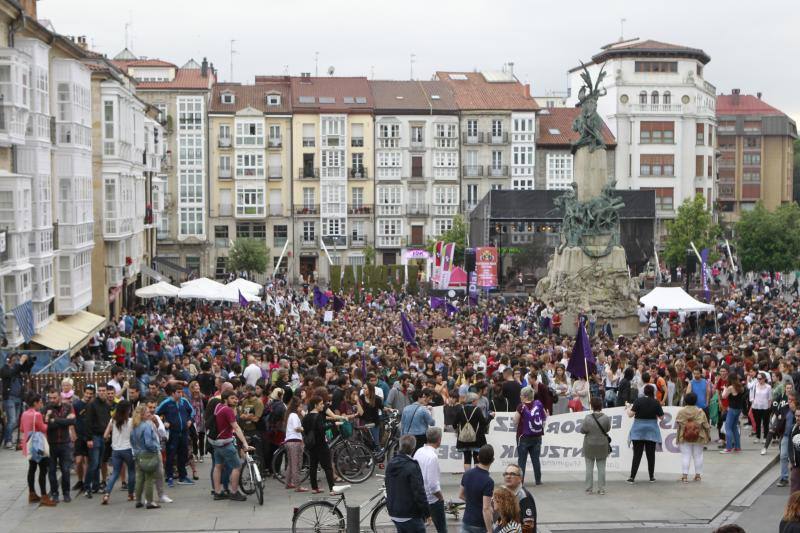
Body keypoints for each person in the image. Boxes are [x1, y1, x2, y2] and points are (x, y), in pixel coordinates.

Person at [210, 389, 251, 501]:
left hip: (216, 443)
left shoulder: (218, 406)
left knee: (218, 466)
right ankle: (234, 492)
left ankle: (218, 492)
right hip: (225, 443)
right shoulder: (227, 410)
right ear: (225, 399)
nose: (235, 400)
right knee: (237, 466)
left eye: (235, 398)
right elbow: (236, 428)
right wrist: (245, 443)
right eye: (232, 398)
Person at [386, 434, 429, 532]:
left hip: (394, 511)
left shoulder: (391, 464)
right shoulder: (412, 466)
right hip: (409, 513)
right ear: (413, 448)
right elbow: (419, 492)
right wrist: (427, 513)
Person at [20, 392, 56, 506]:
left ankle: (32, 493)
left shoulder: (24, 414)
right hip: (38, 445)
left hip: (29, 444)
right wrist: (47, 418)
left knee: (32, 469)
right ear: (35, 403)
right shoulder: (37, 414)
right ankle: (44, 496)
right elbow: (44, 428)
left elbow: (21, 429)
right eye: (40, 402)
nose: (41, 404)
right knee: (43, 470)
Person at [155, 383, 195, 486]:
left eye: (181, 392)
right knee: (170, 456)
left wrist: (190, 420)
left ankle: (183, 476)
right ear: (172, 393)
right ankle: (169, 477)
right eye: (178, 392)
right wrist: (163, 423)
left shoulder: (184, 402)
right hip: (173, 433)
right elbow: (156, 414)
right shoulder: (166, 403)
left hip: (184, 432)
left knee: (183, 455)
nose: (181, 394)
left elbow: (192, 412)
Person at [44, 386, 75, 503]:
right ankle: (55, 493)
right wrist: (63, 421)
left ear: (60, 397)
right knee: (51, 471)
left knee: (66, 470)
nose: (52, 400)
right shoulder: (46, 408)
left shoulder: (68, 407)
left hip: (65, 444)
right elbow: (46, 424)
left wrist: (55, 420)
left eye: (54, 397)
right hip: (51, 444)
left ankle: (66, 493)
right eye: (50, 397)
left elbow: (72, 421)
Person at [627, 384, 663, 483]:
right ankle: (651, 477)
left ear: (644, 392)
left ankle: (632, 477)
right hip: (651, 431)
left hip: (638, 431)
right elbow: (662, 418)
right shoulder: (656, 402)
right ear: (653, 392)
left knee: (637, 454)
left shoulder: (638, 401)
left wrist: (627, 408)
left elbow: (630, 415)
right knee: (651, 455)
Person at [101, 400, 135, 504]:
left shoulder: (113, 420)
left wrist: (112, 437)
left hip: (116, 450)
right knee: (131, 471)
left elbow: (105, 436)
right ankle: (130, 494)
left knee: (115, 473)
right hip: (128, 449)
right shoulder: (131, 421)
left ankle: (107, 494)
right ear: (128, 410)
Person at [413, 427, 446, 533]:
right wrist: (441, 498)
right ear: (439, 440)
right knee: (442, 529)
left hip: (419, 496)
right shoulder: (432, 457)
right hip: (432, 500)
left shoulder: (419, 451)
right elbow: (433, 486)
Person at [303, 395, 336, 495]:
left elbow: (304, 429)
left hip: (311, 445)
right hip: (321, 445)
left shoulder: (306, 417)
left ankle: (314, 488)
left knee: (313, 466)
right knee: (328, 467)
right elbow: (321, 429)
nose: (323, 406)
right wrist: (332, 424)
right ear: (315, 405)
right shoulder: (318, 416)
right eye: (321, 404)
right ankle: (332, 489)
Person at [675, 392, 711, 483]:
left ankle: (685, 477)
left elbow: (678, 424)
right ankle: (698, 476)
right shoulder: (700, 411)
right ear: (696, 401)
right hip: (699, 436)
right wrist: (708, 435)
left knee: (686, 456)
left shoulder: (681, 412)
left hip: (684, 436)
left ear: (686, 401)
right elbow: (706, 425)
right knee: (698, 456)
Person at [130, 404, 161, 509]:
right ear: (142, 415)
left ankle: (138, 500)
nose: (150, 413)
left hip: (138, 454)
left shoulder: (134, 425)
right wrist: (155, 449)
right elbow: (148, 442)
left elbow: (132, 441)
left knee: (139, 478)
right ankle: (150, 502)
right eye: (147, 412)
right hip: (148, 454)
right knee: (149, 478)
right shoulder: (147, 425)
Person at [84, 384, 112, 498]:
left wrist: (108, 433)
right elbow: (88, 422)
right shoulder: (92, 404)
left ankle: (95, 486)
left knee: (99, 463)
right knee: (94, 463)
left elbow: (108, 421)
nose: (101, 392)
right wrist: (89, 439)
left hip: (103, 437)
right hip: (94, 436)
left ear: (106, 391)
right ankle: (87, 488)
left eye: (103, 390)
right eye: (99, 390)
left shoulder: (106, 405)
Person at [460, 444, 495, 533]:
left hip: (466, 521)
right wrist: (490, 530)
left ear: (478, 457)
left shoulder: (467, 474)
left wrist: (472, 502)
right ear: (492, 460)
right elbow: (486, 508)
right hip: (480, 524)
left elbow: (461, 495)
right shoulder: (488, 481)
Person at [514, 386, 545, 485]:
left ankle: (520, 482)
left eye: (521, 395)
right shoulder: (538, 404)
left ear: (524, 396)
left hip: (523, 437)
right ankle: (538, 480)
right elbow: (544, 418)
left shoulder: (521, 406)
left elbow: (515, 421)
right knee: (536, 459)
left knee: (522, 461)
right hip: (537, 436)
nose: (520, 396)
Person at [580, 397, 610, 495]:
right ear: (601, 405)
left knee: (589, 468)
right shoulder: (606, 418)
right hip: (602, 445)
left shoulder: (587, 418)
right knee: (601, 468)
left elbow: (582, 430)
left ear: (592, 406)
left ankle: (589, 489)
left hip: (589, 445)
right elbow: (607, 429)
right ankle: (601, 489)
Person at [2, 353, 31, 449]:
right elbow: (11, 373)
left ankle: (8, 437)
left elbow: (26, 369)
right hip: (9, 398)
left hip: (18, 397)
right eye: (13, 359)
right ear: (8, 360)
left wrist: (27, 360)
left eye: (16, 359)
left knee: (16, 421)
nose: (15, 361)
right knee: (12, 420)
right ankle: (8, 441)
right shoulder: (4, 369)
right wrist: (21, 362)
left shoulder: (17, 369)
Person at [454, 392, 488, 472]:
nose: (477, 402)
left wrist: (459, 431)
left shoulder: (461, 410)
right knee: (476, 457)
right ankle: (476, 476)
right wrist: (490, 416)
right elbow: (484, 423)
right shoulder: (477, 410)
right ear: (473, 401)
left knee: (467, 458)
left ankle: (467, 476)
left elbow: (454, 424)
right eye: (476, 400)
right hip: (476, 438)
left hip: (463, 439)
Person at [502, 464, 536, 533]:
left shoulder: (524, 497)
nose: (508, 476)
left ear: (520, 479)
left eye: (512, 474)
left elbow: (528, 526)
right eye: (506, 474)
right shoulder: (505, 491)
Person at [283, 397, 306, 492]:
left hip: (289, 441)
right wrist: (304, 428)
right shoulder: (295, 416)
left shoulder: (290, 415)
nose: (301, 409)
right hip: (295, 442)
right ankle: (298, 486)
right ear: (296, 407)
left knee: (291, 464)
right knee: (296, 464)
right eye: (300, 407)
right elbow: (297, 428)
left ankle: (288, 483)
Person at [720, 374, 745, 454]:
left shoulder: (731, 387)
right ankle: (737, 447)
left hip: (732, 409)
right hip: (739, 409)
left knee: (728, 428)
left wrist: (724, 388)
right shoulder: (741, 387)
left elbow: (724, 396)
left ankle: (729, 448)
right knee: (734, 427)